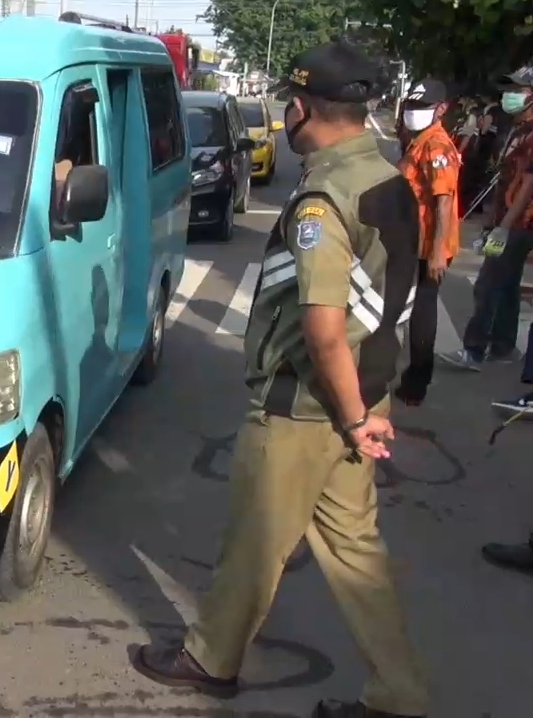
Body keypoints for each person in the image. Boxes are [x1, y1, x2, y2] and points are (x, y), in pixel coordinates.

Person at [129, 42, 429, 718]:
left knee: (255, 541)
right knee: (357, 555)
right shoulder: (386, 179)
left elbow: (324, 330)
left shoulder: (325, 199)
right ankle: (400, 695)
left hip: (308, 404)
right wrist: (367, 408)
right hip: (359, 393)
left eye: (291, 104)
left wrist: (352, 417)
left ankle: (211, 660)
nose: (288, 115)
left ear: (304, 110)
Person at [437, 64, 533, 371]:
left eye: (518, 90)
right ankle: (503, 345)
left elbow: (528, 185)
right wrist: (491, 223)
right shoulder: (517, 130)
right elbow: (503, 179)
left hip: (519, 222)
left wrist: (503, 228)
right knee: (507, 283)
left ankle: (474, 349)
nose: (509, 95)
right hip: (506, 219)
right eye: (509, 89)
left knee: (488, 283)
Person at [394, 79, 461, 406]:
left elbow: (443, 201)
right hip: (413, 241)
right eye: (411, 105)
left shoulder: (437, 146)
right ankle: (413, 377)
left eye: (422, 106)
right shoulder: (419, 141)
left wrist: (436, 252)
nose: (413, 112)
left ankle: (417, 381)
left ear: (441, 109)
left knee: (422, 312)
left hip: (427, 246)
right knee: (413, 308)